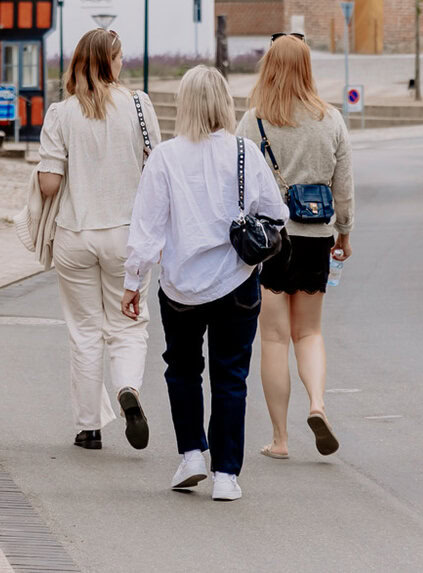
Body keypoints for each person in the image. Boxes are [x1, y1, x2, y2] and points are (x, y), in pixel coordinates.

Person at [121, 65, 283, 502]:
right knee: (231, 378)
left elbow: (147, 229)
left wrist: (132, 282)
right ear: (224, 103)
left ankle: (192, 453)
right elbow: (277, 214)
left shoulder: (165, 158)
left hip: (180, 286)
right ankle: (227, 475)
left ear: (186, 105)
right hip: (236, 280)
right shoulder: (245, 152)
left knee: (183, 370)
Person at [234, 34, 353, 460]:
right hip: (316, 239)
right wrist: (345, 232)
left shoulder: (254, 121)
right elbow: (344, 184)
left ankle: (280, 440)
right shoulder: (331, 119)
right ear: (307, 68)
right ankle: (318, 404)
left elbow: (239, 182)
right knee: (310, 332)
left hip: (270, 243)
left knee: (274, 339)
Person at [37, 27, 156, 451]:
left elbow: (49, 185)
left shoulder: (61, 113)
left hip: (76, 234)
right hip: (127, 235)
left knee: (84, 330)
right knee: (128, 324)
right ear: (111, 62)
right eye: (120, 57)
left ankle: (89, 428)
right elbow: (155, 170)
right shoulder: (139, 106)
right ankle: (127, 389)